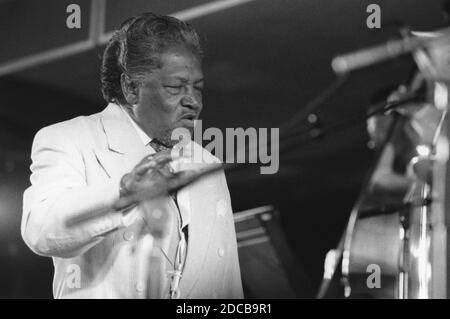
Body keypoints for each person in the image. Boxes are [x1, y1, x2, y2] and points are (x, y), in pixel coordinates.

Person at [21, 12, 243, 299]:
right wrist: (123, 193)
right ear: (131, 88)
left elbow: (225, 283)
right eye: (175, 87)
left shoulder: (207, 164)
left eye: (198, 87)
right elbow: (41, 230)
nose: (194, 101)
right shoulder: (69, 138)